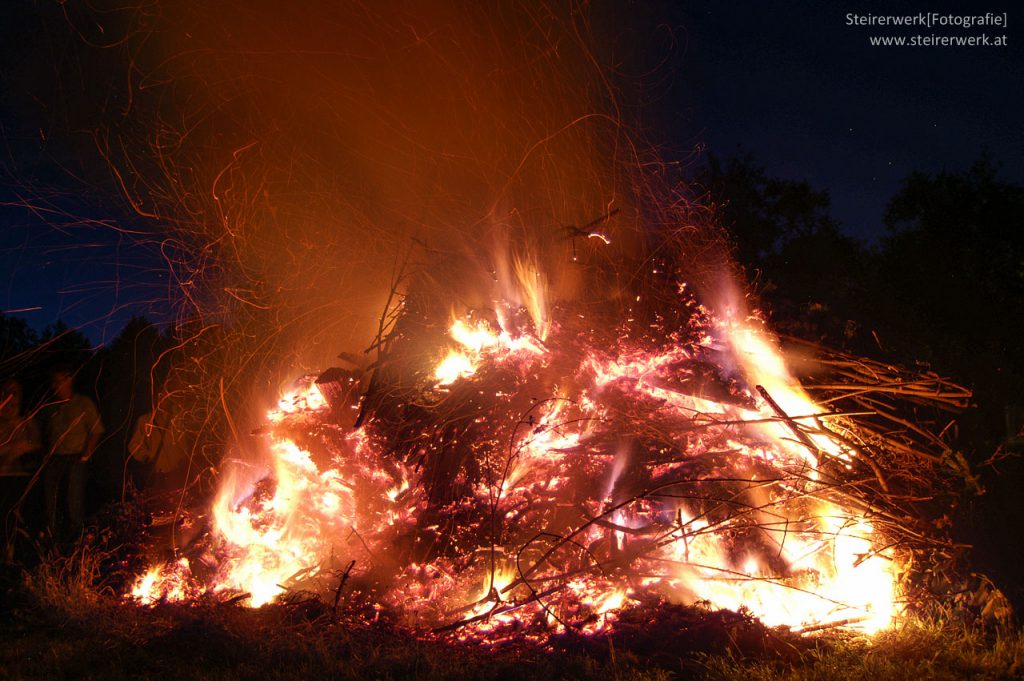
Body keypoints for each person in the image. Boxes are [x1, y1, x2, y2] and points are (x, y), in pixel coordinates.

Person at [42, 368, 104, 538]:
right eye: (54, 381)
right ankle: (53, 534)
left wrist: (85, 456)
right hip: (55, 458)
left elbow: (96, 430)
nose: (57, 385)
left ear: (70, 380)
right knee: (51, 497)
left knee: (73, 497)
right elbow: (47, 433)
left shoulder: (83, 403)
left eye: (61, 380)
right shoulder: (50, 408)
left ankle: (77, 535)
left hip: (76, 456)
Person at [0, 379, 41, 472]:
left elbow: (37, 445)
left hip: (21, 474)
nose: (10, 397)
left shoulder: (28, 421)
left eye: (15, 393)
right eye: (7, 393)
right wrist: (12, 447)